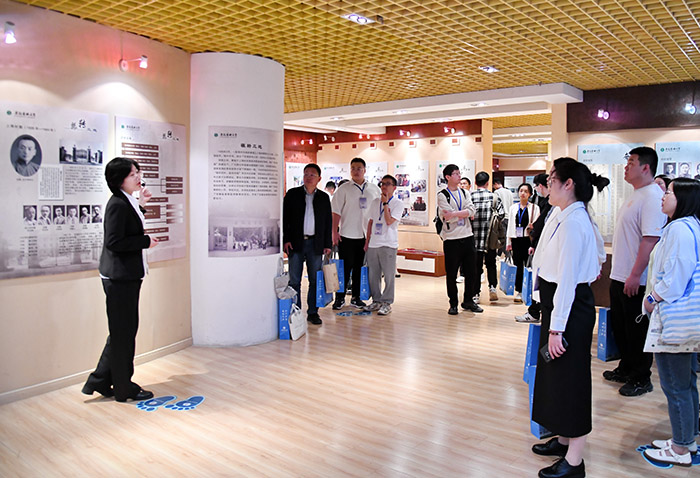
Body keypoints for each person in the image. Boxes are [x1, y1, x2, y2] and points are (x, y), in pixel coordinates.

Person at [530, 157, 609, 478]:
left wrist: (557, 329)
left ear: (568, 184)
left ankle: (575, 461)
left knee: (572, 380)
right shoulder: (562, 214)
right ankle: (563, 438)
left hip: (570, 307)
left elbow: (568, 279)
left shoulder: (575, 221)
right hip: (558, 304)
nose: (547, 185)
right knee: (556, 376)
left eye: (552, 179)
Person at [82, 157, 158, 402]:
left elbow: (129, 226)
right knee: (123, 334)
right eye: (132, 174)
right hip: (119, 277)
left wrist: (142, 205)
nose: (138, 177)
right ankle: (124, 388)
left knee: (121, 331)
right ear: (119, 180)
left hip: (124, 275)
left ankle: (100, 381)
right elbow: (114, 241)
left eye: (138, 172)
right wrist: (145, 241)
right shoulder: (117, 204)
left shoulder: (125, 201)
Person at [641, 178, 700, 466]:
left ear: (684, 199)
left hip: (674, 319)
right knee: (685, 383)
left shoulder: (679, 229)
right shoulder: (690, 226)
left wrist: (653, 297)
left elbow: (676, 275)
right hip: (685, 320)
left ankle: (680, 448)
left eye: (669, 192)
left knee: (675, 384)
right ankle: (687, 437)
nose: (663, 196)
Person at [604, 146, 667, 397]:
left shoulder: (652, 196)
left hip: (635, 279)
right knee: (621, 327)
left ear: (646, 167)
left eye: (631, 162)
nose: (626, 167)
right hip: (619, 275)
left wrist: (635, 275)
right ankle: (626, 368)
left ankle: (641, 377)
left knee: (636, 330)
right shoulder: (636, 194)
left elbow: (650, 240)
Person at [283, 163, 332, 325]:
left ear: (319, 178)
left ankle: (313, 313)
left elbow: (328, 222)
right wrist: (286, 240)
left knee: (314, 280)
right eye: (306, 174)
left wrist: (327, 244)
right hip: (296, 243)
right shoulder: (292, 194)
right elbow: (285, 219)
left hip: (315, 244)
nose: (308, 177)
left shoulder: (323, 198)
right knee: (294, 280)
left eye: (312, 175)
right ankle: (295, 312)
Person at [331, 158, 381, 310]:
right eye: (353, 168)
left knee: (359, 267)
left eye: (359, 168)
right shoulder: (343, 189)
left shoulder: (374, 189)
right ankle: (339, 298)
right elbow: (335, 212)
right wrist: (334, 232)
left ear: (365, 170)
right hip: (346, 234)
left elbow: (378, 211)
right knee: (344, 268)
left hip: (366, 236)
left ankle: (356, 297)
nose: (356, 171)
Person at [438, 164, 482, 315]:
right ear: (448, 177)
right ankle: (453, 303)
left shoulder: (465, 192)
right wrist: (463, 214)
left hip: (468, 236)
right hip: (451, 239)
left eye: (459, 173)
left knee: (471, 272)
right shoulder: (442, 195)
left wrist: (455, 214)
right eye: (456, 174)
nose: (459, 176)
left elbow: (472, 210)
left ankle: (468, 301)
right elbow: (447, 218)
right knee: (451, 274)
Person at [363, 175, 402, 316]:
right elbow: (371, 222)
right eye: (382, 183)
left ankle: (387, 302)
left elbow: (389, 221)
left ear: (394, 187)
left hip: (388, 244)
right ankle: (376, 300)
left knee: (389, 276)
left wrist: (385, 204)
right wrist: (367, 241)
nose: (384, 186)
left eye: (388, 184)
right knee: (373, 275)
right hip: (374, 243)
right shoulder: (375, 202)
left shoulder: (397, 203)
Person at [516, 173, 551, 323]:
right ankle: (535, 310)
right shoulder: (547, 202)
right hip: (537, 245)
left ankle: (535, 312)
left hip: (544, 249)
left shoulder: (549, 204)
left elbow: (541, 226)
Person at [470, 171, 504, 303]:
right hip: (491, 239)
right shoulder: (494, 197)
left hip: (473, 239)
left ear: (475, 182)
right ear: (488, 183)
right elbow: (501, 214)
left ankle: (475, 294)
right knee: (491, 264)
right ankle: (492, 288)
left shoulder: (470, 197)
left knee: (476, 267)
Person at [506, 183, 540, 303]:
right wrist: (508, 242)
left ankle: (530, 290)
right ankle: (519, 290)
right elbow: (510, 226)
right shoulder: (513, 208)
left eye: (526, 191)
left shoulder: (534, 208)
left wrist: (534, 243)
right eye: (521, 191)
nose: (523, 193)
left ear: (530, 194)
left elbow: (537, 226)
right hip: (516, 239)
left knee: (529, 265)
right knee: (518, 265)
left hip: (528, 240)